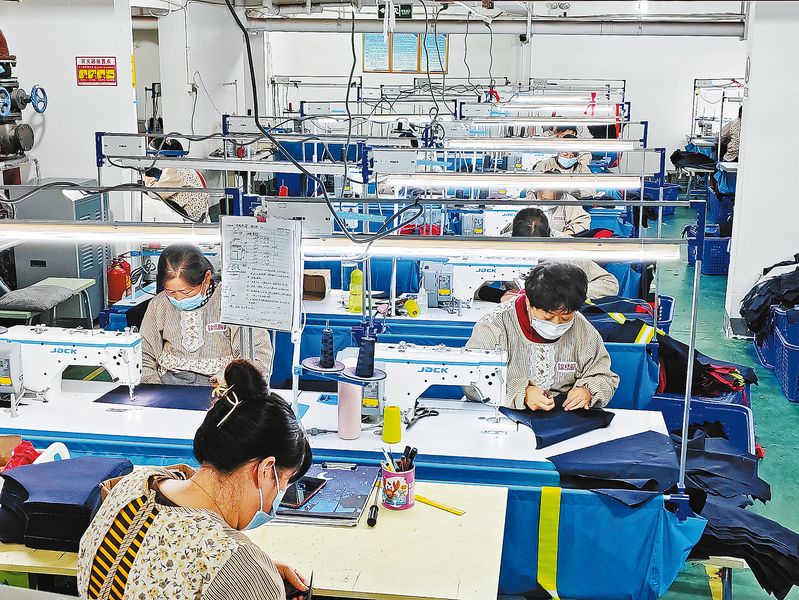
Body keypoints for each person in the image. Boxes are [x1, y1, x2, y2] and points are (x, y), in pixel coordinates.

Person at [77, 359, 313, 600]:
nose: (279, 495)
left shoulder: (129, 486)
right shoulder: (239, 567)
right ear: (265, 470)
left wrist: (255, 575)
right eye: (284, 481)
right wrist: (255, 579)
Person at [466, 263, 619, 411]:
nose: (556, 323)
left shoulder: (583, 330)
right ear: (528, 302)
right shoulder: (494, 326)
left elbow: (604, 376)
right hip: (501, 414)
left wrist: (587, 391)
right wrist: (522, 393)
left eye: (565, 317)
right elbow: (472, 384)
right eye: (547, 317)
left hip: (563, 415)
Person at [140, 244, 274, 386]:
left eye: (186, 292)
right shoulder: (159, 304)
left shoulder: (232, 302)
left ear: (207, 278)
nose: (179, 298)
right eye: (171, 292)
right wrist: (156, 389)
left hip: (222, 384)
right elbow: (144, 355)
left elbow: (258, 355)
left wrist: (229, 382)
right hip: (169, 384)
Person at [481, 208, 618, 303]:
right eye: (525, 251)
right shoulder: (499, 246)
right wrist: (499, 295)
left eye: (536, 250)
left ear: (549, 238)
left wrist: (565, 294)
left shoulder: (568, 250)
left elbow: (609, 284)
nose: (531, 256)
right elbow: (472, 284)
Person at [142, 138, 210, 222]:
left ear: (159, 155)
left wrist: (146, 180)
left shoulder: (173, 169)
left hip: (188, 216)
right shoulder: (185, 166)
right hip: (199, 215)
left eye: (151, 155)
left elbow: (156, 193)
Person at [532, 134, 595, 198]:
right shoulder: (544, 166)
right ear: (558, 152)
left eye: (573, 156)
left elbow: (591, 191)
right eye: (565, 154)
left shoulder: (582, 169)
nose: (568, 158)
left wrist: (578, 192)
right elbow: (531, 189)